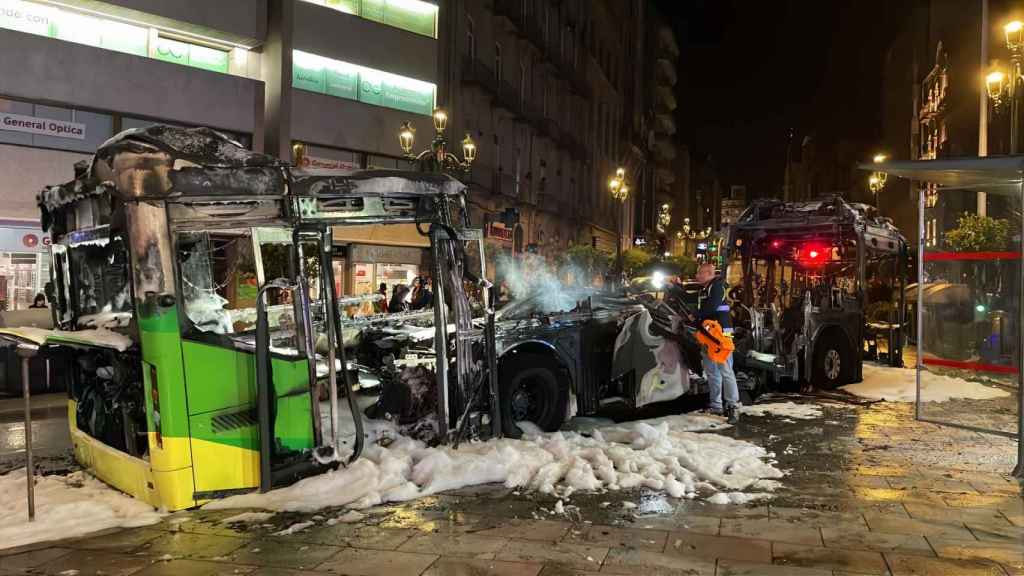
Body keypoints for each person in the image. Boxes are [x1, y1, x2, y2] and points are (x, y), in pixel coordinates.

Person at [695, 262, 740, 424]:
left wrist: (695, 315)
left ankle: (733, 407)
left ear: (709, 274)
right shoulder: (706, 289)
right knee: (712, 371)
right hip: (710, 336)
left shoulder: (717, 287)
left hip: (721, 336)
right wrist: (675, 288)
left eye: (700, 273)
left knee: (725, 371)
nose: (697, 276)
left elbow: (711, 308)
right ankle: (716, 406)